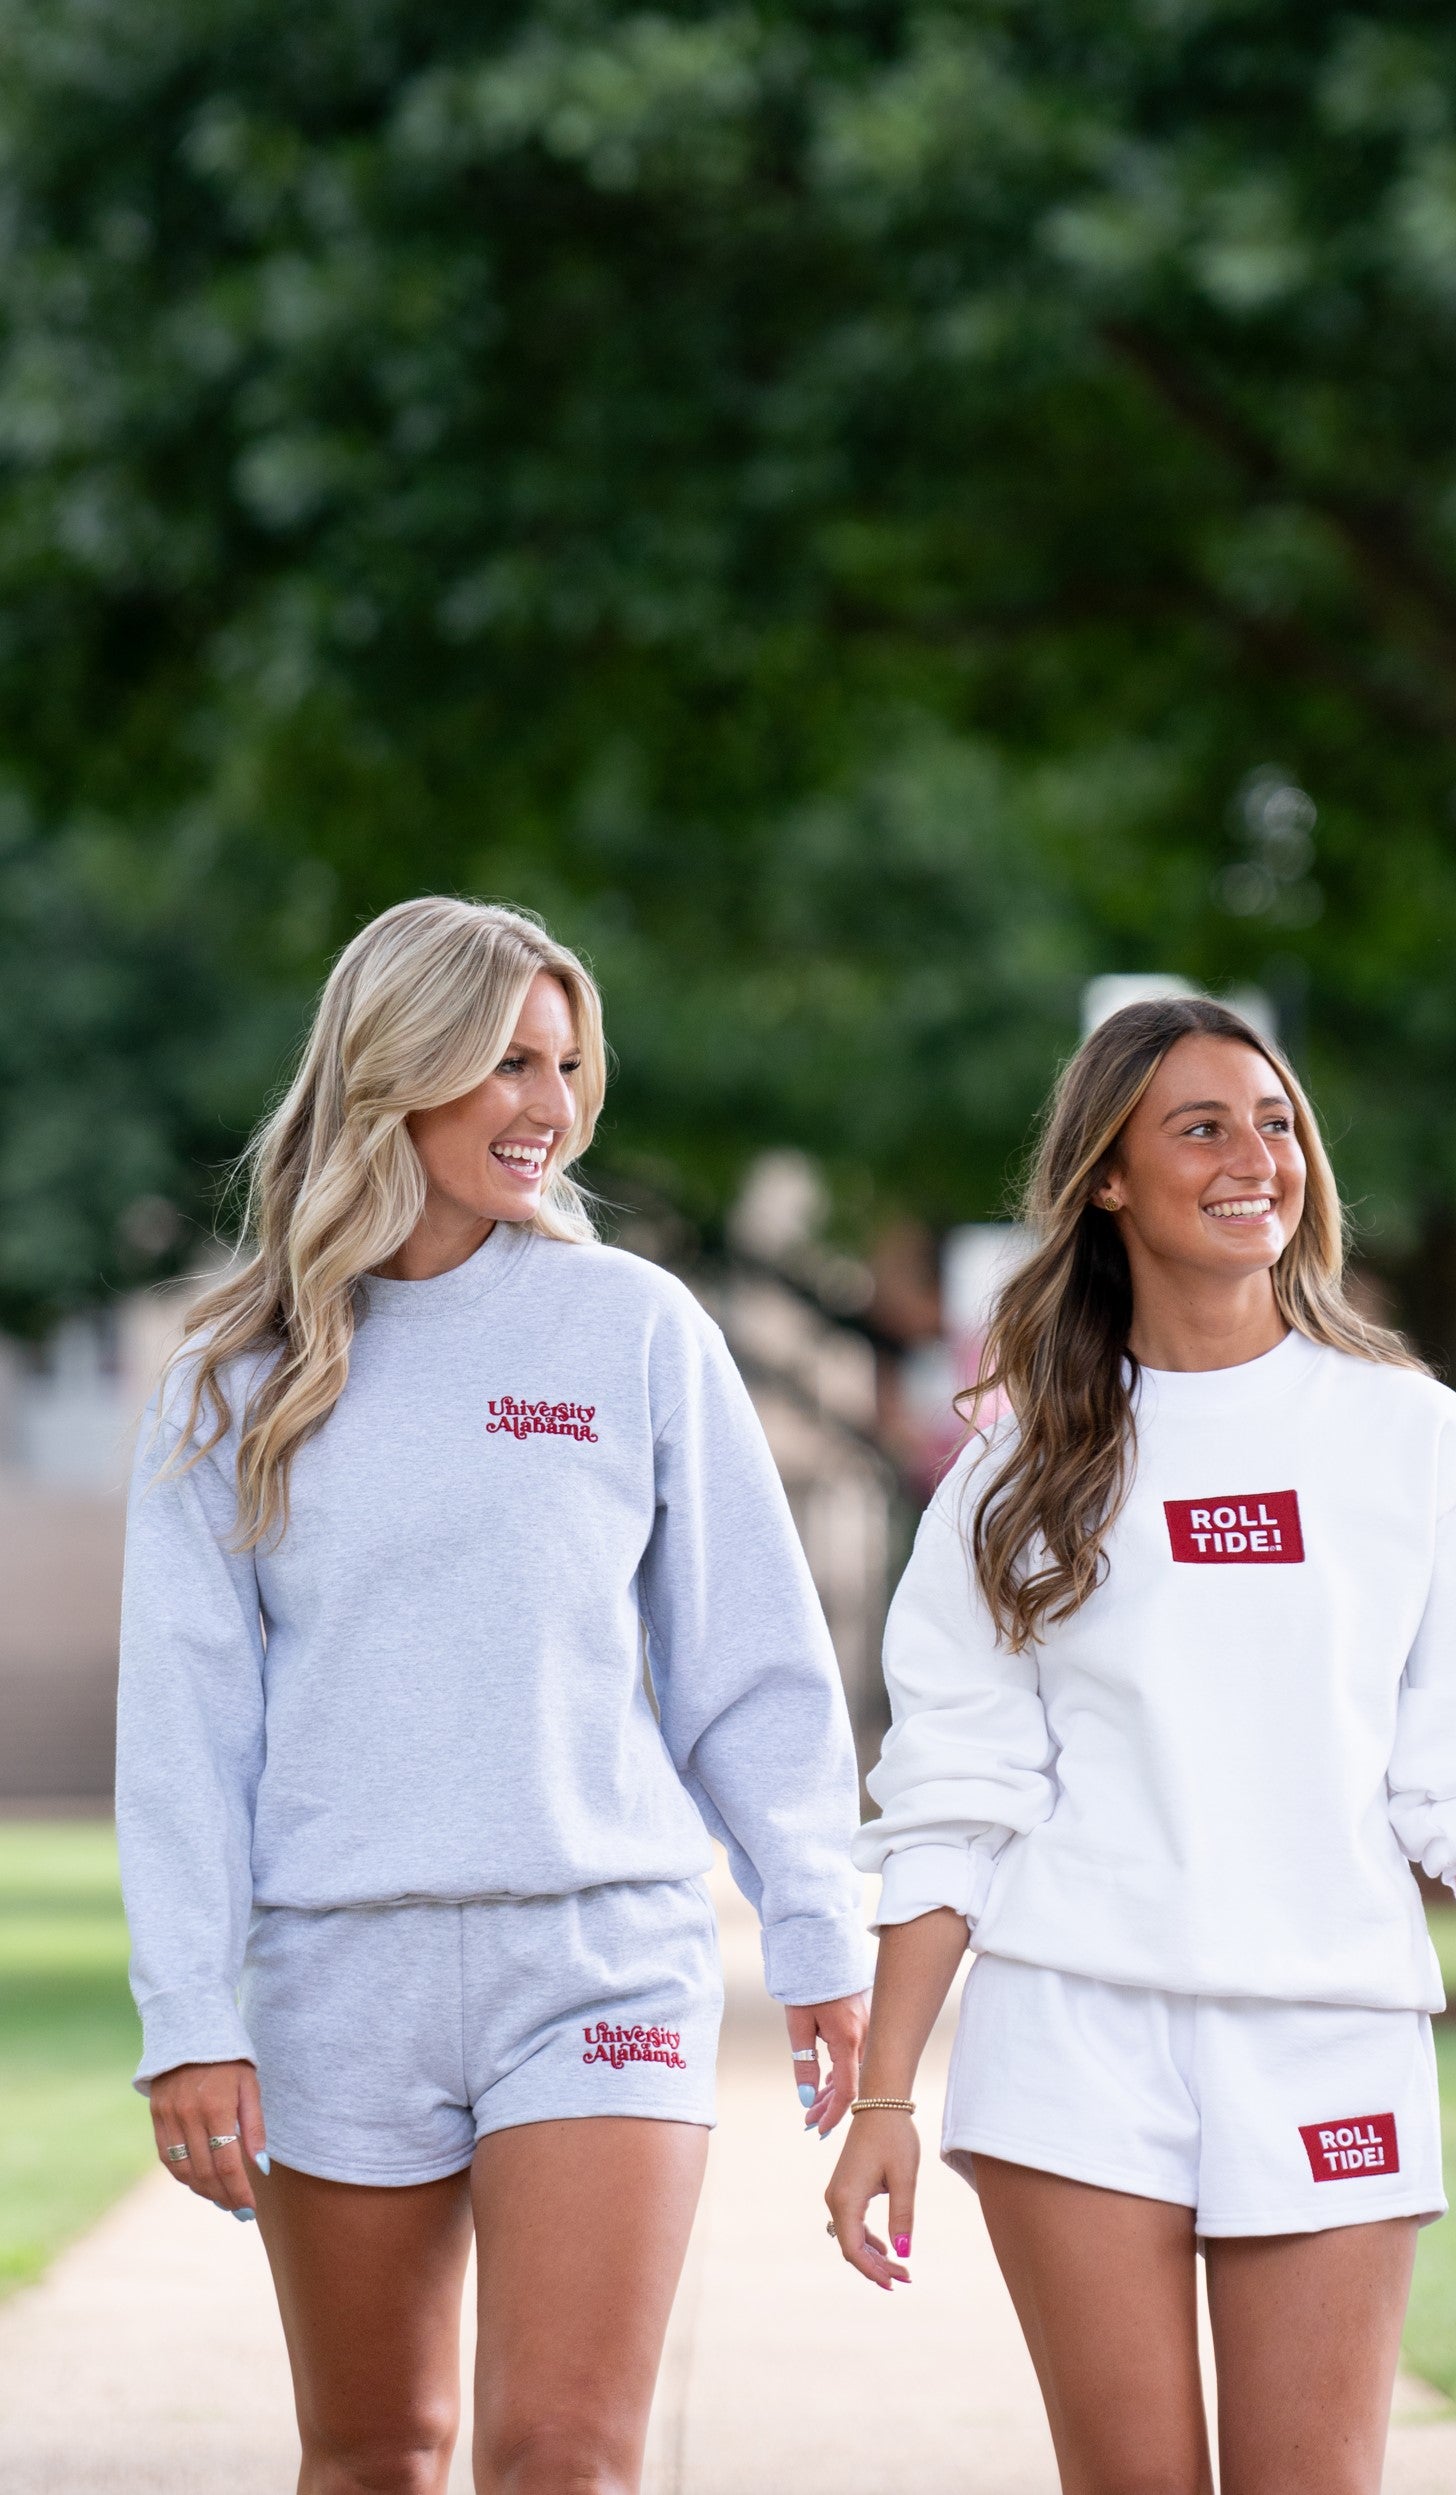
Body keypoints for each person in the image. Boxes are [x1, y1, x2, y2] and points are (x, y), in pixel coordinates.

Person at [117, 896, 869, 2495]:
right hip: (340, 1980)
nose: (549, 1106)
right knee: (376, 2456)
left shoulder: (634, 1329)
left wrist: (816, 1927)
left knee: (563, 2460)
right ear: (396, 1070)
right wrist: (188, 2016)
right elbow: (187, 1729)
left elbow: (752, 1666)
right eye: (506, 1063)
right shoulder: (233, 1379)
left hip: (599, 1959)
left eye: (566, 1065)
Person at [826, 996, 1456, 2495]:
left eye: (1278, 1121)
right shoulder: (1013, 1467)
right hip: (1072, 2044)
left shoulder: (1416, 1443)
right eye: (1202, 1126)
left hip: (1331, 2036)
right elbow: (952, 1802)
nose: (1258, 1157)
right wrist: (885, 2098)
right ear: (1107, 1175)